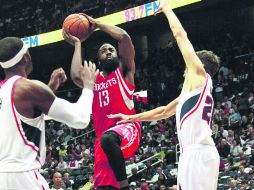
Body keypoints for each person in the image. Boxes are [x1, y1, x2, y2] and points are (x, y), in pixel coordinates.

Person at [109, 0, 220, 189]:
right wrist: (129, 117)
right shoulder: (194, 91)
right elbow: (163, 112)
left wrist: (167, 8)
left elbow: (180, 35)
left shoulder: (199, 76)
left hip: (197, 153)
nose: (185, 66)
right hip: (196, 153)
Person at [0, 37, 98, 189]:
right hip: (22, 176)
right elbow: (81, 119)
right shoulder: (29, 88)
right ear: (26, 58)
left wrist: (49, 89)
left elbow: (26, 116)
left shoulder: (3, 91)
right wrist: (88, 87)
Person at [63, 14, 141, 190]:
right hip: (103, 139)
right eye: (104, 50)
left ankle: (125, 186)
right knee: (104, 186)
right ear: (99, 59)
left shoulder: (124, 71)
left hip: (127, 128)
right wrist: (77, 44)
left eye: (111, 50)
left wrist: (96, 24)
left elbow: (124, 38)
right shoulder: (93, 80)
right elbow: (75, 75)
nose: (109, 52)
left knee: (109, 138)